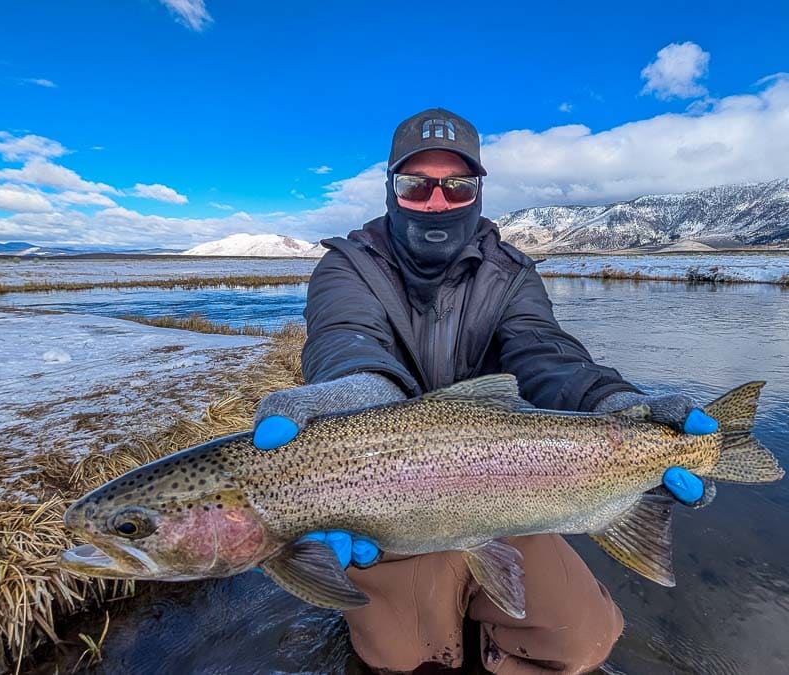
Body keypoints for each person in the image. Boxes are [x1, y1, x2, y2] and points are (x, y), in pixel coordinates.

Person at [253, 108, 717, 673]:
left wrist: (614, 405)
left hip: (507, 488)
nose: (437, 201)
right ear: (390, 190)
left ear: (477, 191)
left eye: (457, 186)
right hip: (381, 492)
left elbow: (546, 354)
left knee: (582, 643)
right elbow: (349, 339)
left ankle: (490, 629)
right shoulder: (346, 267)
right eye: (417, 185)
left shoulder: (513, 272)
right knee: (405, 660)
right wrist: (362, 394)